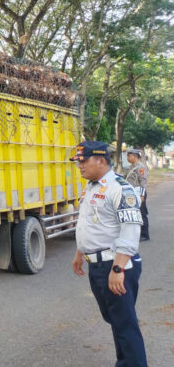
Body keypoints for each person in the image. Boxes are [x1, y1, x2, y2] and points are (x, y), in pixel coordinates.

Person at [70, 141, 147, 367]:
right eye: (78, 162)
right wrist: (79, 253)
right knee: (115, 319)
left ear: (101, 160)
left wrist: (117, 268)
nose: (80, 167)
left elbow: (131, 229)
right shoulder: (93, 187)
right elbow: (90, 225)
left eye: (84, 161)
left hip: (116, 265)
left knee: (124, 323)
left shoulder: (120, 188)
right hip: (98, 266)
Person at [126, 148, 149, 241]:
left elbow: (143, 182)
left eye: (128, 156)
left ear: (134, 156)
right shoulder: (131, 167)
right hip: (131, 194)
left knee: (142, 214)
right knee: (134, 214)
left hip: (139, 193)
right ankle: (136, 234)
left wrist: (142, 195)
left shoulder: (140, 167)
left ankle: (145, 235)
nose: (127, 157)